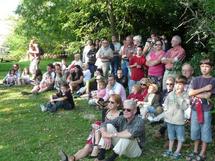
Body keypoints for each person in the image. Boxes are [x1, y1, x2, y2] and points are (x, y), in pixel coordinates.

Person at [59, 94, 122, 161]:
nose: (109, 104)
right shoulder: (105, 111)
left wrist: (103, 131)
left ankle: (95, 147)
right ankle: (72, 158)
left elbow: (118, 131)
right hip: (101, 135)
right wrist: (97, 126)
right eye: (108, 101)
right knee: (88, 146)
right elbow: (103, 124)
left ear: (118, 104)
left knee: (98, 127)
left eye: (112, 102)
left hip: (110, 138)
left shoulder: (120, 114)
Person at [186, 58, 215, 161]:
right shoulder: (196, 79)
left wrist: (196, 93)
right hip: (195, 108)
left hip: (206, 109)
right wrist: (204, 89)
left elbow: (207, 95)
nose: (204, 68)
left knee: (205, 130)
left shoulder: (213, 80)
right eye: (202, 66)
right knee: (195, 129)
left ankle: (202, 153)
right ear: (200, 67)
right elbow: (189, 93)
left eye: (207, 66)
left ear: (211, 68)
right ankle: (195, 151)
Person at [162, 75, 190, 160]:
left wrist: (179, 97)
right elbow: (165, 103)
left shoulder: (185, 95)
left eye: (181, 84)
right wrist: (166, 110)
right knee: (171, 136)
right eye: (177, 83)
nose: (178, 85)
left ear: (184, 86)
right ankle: (170, 150)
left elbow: (185, 107)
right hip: (169, 120)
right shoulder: (170, 94)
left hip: (179, 121)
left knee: (180, 137)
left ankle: (177, 151)